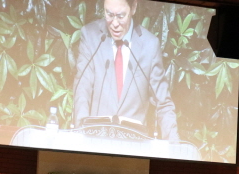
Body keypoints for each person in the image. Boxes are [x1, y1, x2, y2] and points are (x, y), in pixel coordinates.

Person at [71, 0, 178, 141]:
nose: (114, 23)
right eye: (109, 15)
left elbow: (163, 103)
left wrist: (174, 145)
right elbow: (82, 90)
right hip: (94, 142)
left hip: (135, 146)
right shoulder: (91, 36)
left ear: (133, 8)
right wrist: (80, 135)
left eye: (121, 16)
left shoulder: (150, 45)